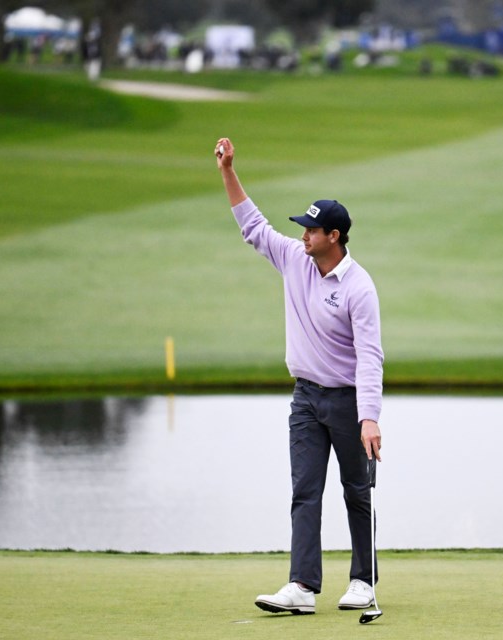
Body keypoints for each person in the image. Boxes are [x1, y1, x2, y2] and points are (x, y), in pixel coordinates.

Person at [215, 137, 384, 616]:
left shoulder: (359, 287)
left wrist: (369, 417)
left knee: (357, 492)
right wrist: (228, 169)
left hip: (349, 401)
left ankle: (362, 582)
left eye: (312, 229)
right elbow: (252, 226)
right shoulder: (294, 259)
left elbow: (370, 356)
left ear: (334, 236)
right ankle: (303, 587)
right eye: (304, 229)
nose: (303, 234)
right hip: (305, 399)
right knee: (305, 490)